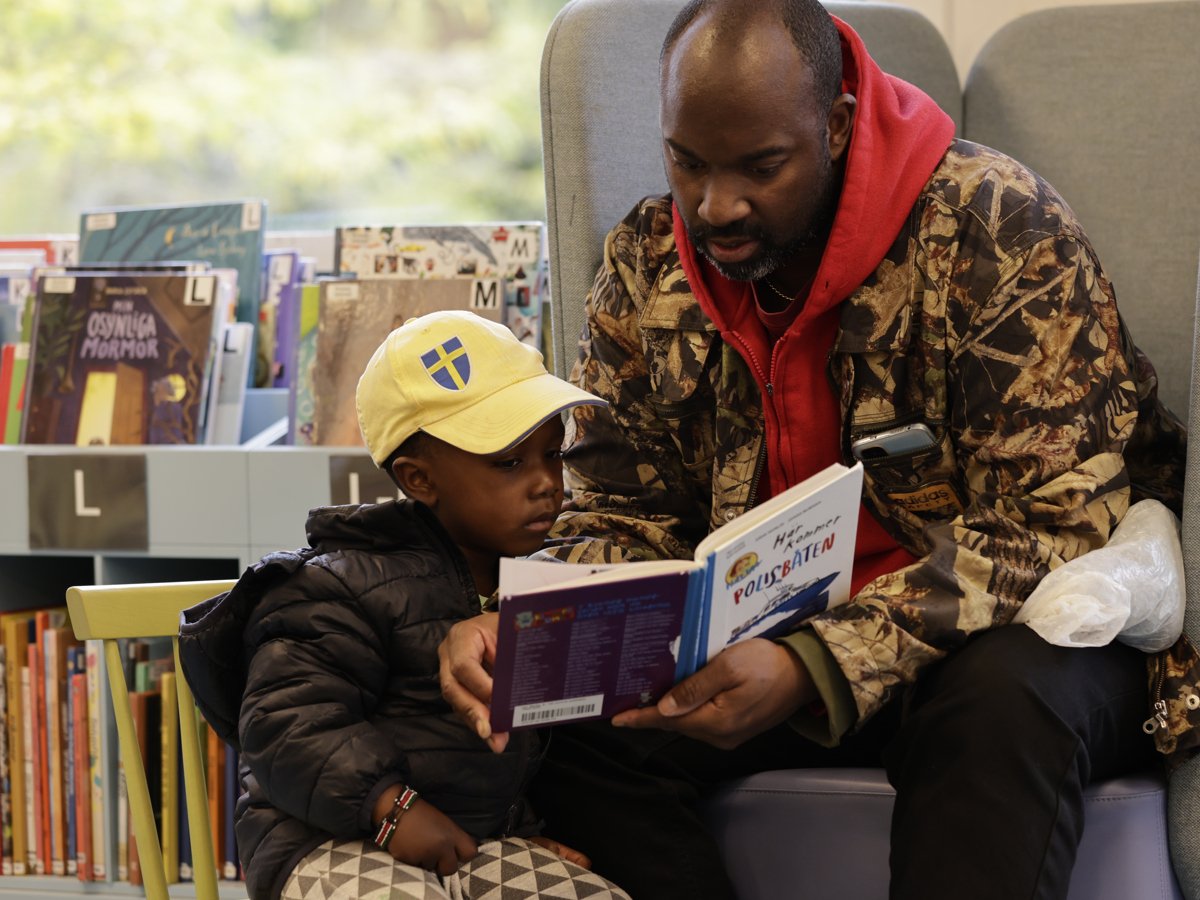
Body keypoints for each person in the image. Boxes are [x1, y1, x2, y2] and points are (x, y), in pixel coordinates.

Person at [438, 1, 1200, 898]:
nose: (716, 205)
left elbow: (1059, 521)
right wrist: (531, 628)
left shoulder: (995, 227)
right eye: (687, 161)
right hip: (757, 638)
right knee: (558, 732)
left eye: (761, 166)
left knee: (1003, 704)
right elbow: (618, 511)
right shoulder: (648, 264)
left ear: (835, 125)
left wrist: (818, 664)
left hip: (993, 641)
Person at [178, 311, 629, 900]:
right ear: (419, 479)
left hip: (476, 837)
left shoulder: (532, 580)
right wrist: (391, 807)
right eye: (509, 463)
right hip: (331, 841)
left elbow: (506, 750)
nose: (547, 482)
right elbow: (285, 727)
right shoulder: (332, 587)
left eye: (552, 454)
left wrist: (521, 828)